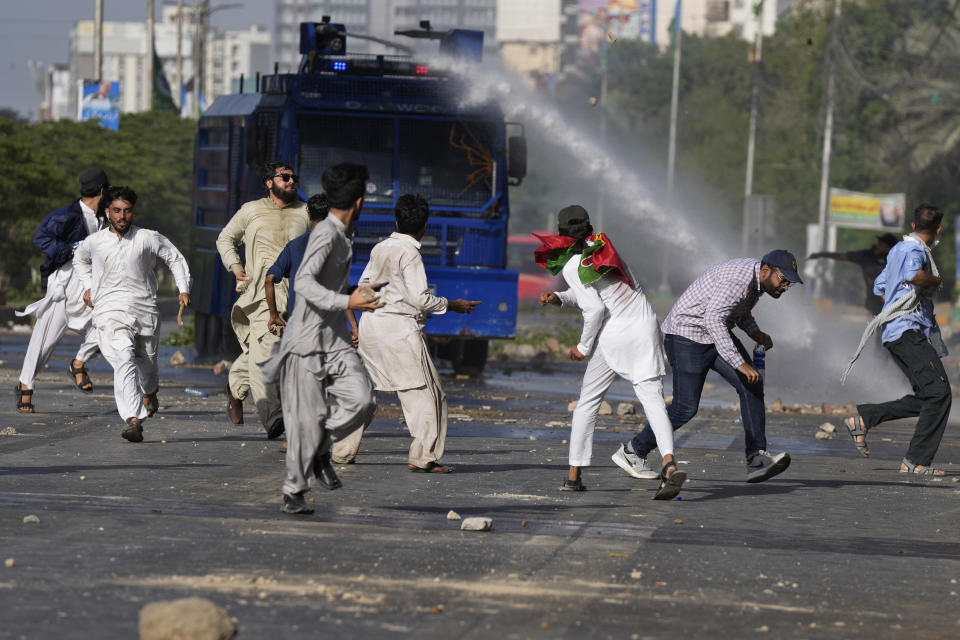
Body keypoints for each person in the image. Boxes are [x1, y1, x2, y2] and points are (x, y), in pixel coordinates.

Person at [613, 250, 802, 484]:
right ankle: (633, 452)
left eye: (788, 284)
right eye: (783, 281)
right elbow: (714, 318)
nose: (784, 288)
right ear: (766, 270)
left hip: (712, 335)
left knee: (751, 385)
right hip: (686, 336)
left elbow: (737, 312)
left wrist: (756, 333)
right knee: (685, 408)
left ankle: (756, 458)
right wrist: (738, 363)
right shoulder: (739, 282)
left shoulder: (755, 282)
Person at [536, 206, 684, 498]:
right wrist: (560, 298)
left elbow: (595, 308)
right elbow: (596, 292)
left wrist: (582, 347)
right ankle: (668, 462)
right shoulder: (603, 247)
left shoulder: (571, 264)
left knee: (588, 402)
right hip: (645, 326)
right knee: (653, 399)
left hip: (616, 333)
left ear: (562, 234)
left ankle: (573, 475)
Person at [260, 163, 380, 514]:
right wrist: (348, 301)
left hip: (336, 339)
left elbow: (331, 286)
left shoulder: (344, 235)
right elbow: (302, 283)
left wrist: (360, 295)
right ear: (358, 203)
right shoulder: (325, 234)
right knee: (305, 420)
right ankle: (294, 492)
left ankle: (322, 446)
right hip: (305, 342)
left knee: (362, 400)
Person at [337, 194, 480, 474]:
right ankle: (424, 457)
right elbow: (421, 300)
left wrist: (356, 326)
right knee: (429, 396)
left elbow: (364, 288)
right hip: (399, 331)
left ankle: (342, 451)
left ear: (396, 221)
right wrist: (454, 305)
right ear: (425, 226)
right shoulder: (411, 253)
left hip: (371, 326)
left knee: (366, 395)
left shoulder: (380, 248)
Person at [74, 186, 191, 443]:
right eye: (116, 211)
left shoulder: (148, 237)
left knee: (147, 366)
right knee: (124, 357)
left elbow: (174, 258)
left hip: (144, 311)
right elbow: (79, 259)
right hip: (109, 311)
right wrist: (87, 286)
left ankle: (150, 392)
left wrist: (183, 288)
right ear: (108, 212)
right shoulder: (94, 242)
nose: (122, 216)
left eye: (127, 211)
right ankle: (133, 418)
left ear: (133, 212)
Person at [841, 205, 950, 475]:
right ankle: (916, 462)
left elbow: (881, 287)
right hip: (907, 331)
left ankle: (864, 419)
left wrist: (895, 302)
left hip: (897, 333)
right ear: (938, 230)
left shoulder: (895, 253)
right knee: (939, 393)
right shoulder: (912, 251)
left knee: (929, 395)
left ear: (913, 226)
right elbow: (915, 276)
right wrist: (934, 281)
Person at [216, 161, 310, 436]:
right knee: (267, 353)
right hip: (260, 296)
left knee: (267, 351)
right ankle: (274, 417)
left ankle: (235, 387)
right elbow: (225, 239)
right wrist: (237, 270)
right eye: (284, 177)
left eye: (294, 177)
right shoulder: (251, 210)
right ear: (269, 182)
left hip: (296, 297)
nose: (291, 181)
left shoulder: (304, 213)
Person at [15, 167, 108, 413]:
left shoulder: (106, 218)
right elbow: (41, 238)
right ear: (101, 191)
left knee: (108, 326)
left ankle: (78, 364)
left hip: (91, 286)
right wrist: (71, 248)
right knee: (43, 342)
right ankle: (26, 385)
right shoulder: (67, 215)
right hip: (64, 285)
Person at [808, 233, 898, 315]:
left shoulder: (896, 260)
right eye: (879, 243)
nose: (878, 246)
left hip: (893, 299)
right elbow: (842, 256)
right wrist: (821, 254)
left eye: (882, 245)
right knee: (878, 325)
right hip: (874, 301)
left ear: (889, 249)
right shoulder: (867, 256)